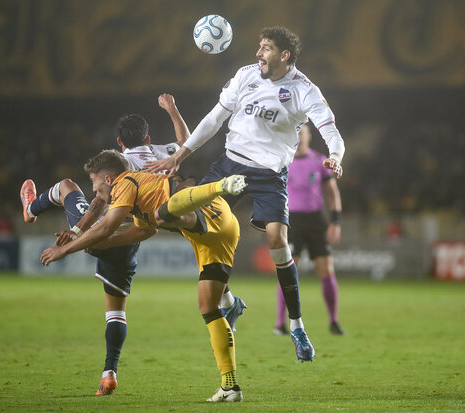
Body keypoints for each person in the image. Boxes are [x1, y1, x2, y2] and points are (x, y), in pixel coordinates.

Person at [19, 95, 247, 395]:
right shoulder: (161, 154)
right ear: (148, 139)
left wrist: (74, 234)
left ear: (118, 145)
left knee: (68, 187)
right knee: (170, 229)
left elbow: (100, 210)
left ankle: (31, 209)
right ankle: (227, 371)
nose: (95, 187)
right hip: (212, 226)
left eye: (96, 182)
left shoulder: (122, 175)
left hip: (132, 225)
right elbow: (186, 143)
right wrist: (173, 110)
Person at [146, 26, 346, 362]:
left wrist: (336, 156)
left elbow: (331, 131)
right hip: (230, 165)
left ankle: (296, 326)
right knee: (192, 224)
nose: (258, 53)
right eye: (259, 46)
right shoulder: (245, 75)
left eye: (265, 48)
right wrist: (181, 154)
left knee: (278, 242)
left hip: (270, 174)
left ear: (284, 55)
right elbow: (214, 119)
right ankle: (228, 301)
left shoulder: (304, 90)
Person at [274, 122, 345, 337]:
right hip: (291, 221)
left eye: (302, 132)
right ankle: (280, 323)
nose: (298, 137)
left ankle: (334, 321)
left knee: (327, 270)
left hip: (316, 221)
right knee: (288, 270)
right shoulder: (282, 160)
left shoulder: (319, 161)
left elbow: (332, 192)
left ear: (309, 136)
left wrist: (335, 221)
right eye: (295, 132)